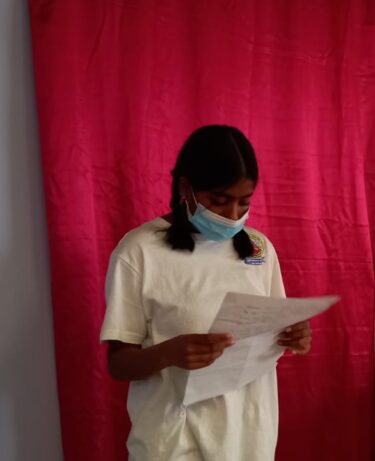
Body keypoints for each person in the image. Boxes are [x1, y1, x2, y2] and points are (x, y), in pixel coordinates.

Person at [99, 125, 311, 460]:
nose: (233, 216)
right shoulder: (139, 251)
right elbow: (118, 363)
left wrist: (294, 335)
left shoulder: (259, 248)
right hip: (174, 443)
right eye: (219, 201)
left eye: (244, 202)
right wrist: (168, 353)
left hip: (250, 438)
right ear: (186, 188)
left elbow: (271, 331)